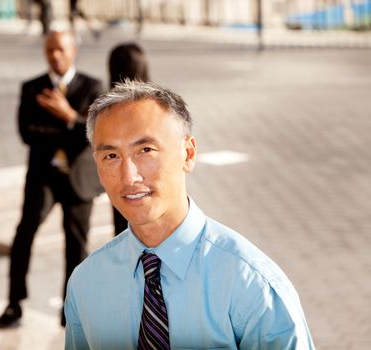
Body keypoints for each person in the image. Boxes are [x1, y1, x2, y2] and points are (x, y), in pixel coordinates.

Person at [64, 81, 315, 349]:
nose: (129, 177)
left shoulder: (251, 284)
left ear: (188, 153)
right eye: (111, 155)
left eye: (145, 150)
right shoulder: (86, 285)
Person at [0, 30, 104, 329]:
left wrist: (67, 116)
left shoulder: (93, 87)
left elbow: (94, 134)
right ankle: (14, 302)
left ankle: (71, 311)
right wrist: (72, 129)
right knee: (24, 234)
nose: (55, 55)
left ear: (73, 51)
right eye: (50, 50)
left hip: (79, 179)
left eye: (61, 50)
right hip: (43, 176)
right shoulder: (32, 88)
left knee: (76, 246)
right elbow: (27, 133)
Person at [107, 42, 150, 235]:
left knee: (124, 230)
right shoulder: (156, 105)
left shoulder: (108, 109)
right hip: (150, 175)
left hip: (120, 178)